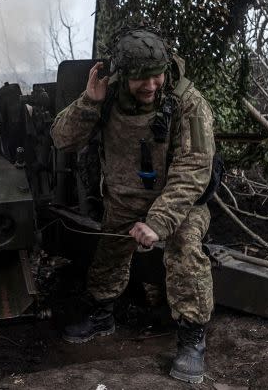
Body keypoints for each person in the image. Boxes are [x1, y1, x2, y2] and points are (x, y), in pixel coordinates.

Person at [51, 23, 217, 384]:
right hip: (124, 202)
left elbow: (193, 170)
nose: (151, 85)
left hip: (180, 204)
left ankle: (191, 336)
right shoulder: (106, 95)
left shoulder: (189, 103)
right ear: (122, 74)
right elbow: (62, 140)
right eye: (141, 78)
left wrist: (158, 222)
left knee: (186, 250)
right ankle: (102, 314)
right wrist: (89, 103)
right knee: (109, 254)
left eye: (156, 76)